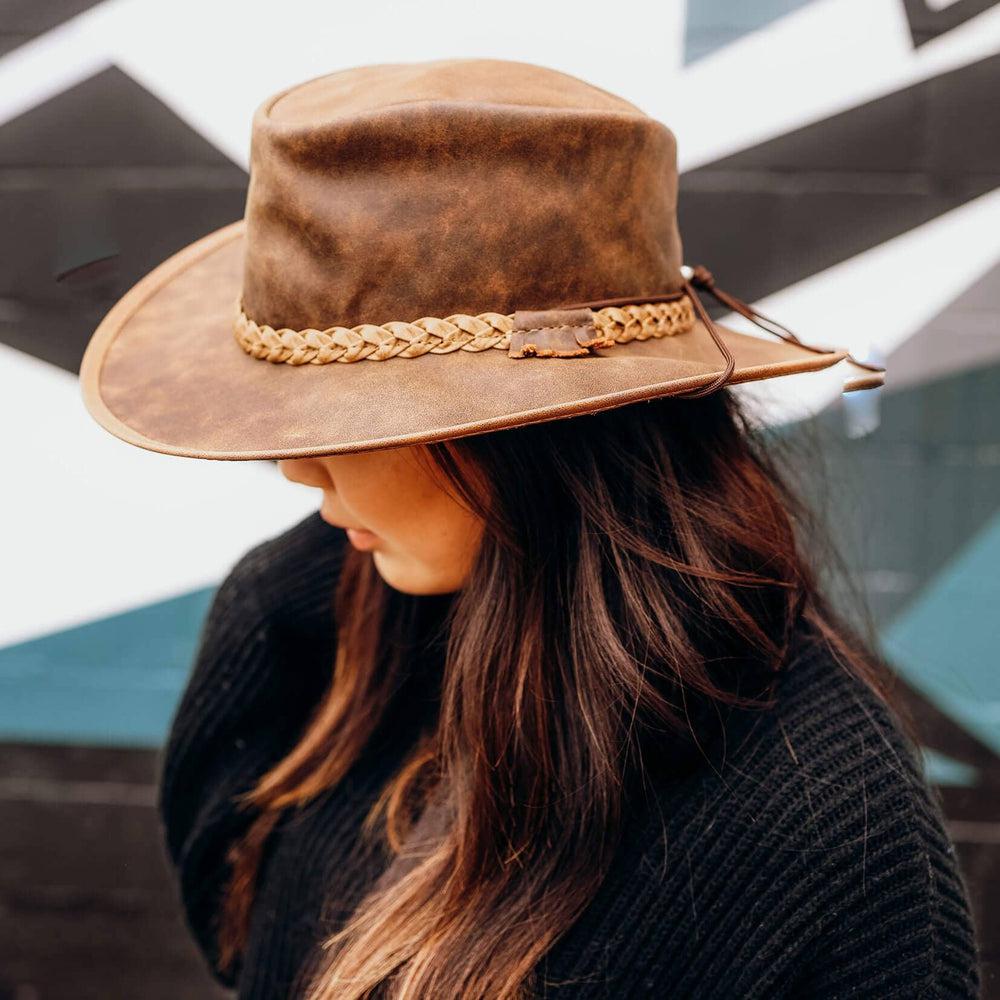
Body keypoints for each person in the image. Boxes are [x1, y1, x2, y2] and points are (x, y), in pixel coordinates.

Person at [78, 59, 980, 999]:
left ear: (530, 435)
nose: (294, 467)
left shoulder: (821, 820)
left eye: (344, 419)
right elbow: (240, 932)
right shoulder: (301, 625)